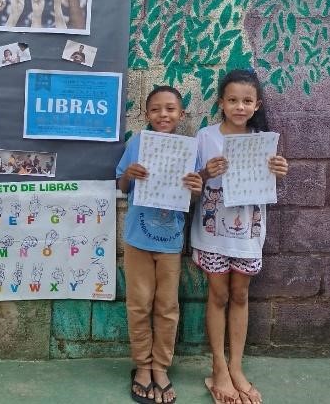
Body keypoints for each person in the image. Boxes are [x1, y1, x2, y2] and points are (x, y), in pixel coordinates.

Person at [192, 70, 288, 404]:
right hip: (213, 233)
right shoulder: (205, 137)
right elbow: (191, 184)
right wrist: (206, 173)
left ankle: (236, 366)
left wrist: (278, 171)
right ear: (221, 102)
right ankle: (218, 367)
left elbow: (268, 182)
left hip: (248, 233)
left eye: (247, 101)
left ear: (257, 104)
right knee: (218, 295)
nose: (239, 107)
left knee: (240, 295)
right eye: (232, 100)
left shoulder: (262, 140)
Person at [116, 85, 203, 404]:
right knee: (139, 304)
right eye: (155, 109)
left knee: (167, 306)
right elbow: (121, 185)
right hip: (137, 239)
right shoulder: (137, 143)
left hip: (170, 242)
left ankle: (161, 367)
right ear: (146, 113)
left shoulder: (190, 149)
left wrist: (196, 188)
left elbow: (192, 198)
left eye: (170, 109)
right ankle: (142, 366)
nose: (163, 115)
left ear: (181, 114)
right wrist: (129, 174)